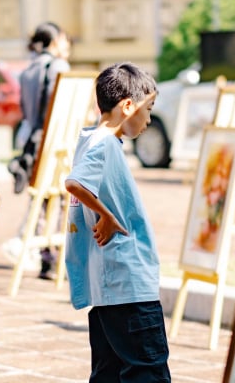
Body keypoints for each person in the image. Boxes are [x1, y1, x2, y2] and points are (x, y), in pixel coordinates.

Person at [64, 62, 171, 382]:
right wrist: (108, 217)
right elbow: (75, 183)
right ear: (128, 106)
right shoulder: (105, 144)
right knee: (148, 371)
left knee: (109, 374)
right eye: (148, 109)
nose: (149, 119)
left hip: (108, 285)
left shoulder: (90, 139)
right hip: (128, 283)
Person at [4, 22, 71, 279]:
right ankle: (51, 257)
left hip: (31, 139)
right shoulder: (57, 67)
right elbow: (59, 110)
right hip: (53, 141)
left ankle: (45, 257)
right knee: (61, 200)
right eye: (64, 40)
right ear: (55, 42)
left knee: (41, 200)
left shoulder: (29, 68)